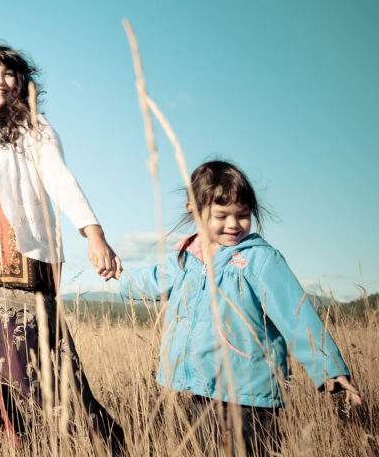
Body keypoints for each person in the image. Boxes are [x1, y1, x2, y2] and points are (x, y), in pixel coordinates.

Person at [0, 43, 127, 454]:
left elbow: (58, 177)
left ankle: (104, 445)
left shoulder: (31, 127)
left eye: (8, 74)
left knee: (32, 376)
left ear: (21, 83)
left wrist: (93, 233)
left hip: (19, 271)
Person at [119, 160, 363, 456]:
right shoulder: (186, 258)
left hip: (248, 394)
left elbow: (295, 313)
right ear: (193, 211)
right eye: (221, 216)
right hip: (202, 389)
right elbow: (151, 280)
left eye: (243, 215)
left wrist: (328, 367)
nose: (233, 224)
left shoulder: (258, 260)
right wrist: (120, 277)